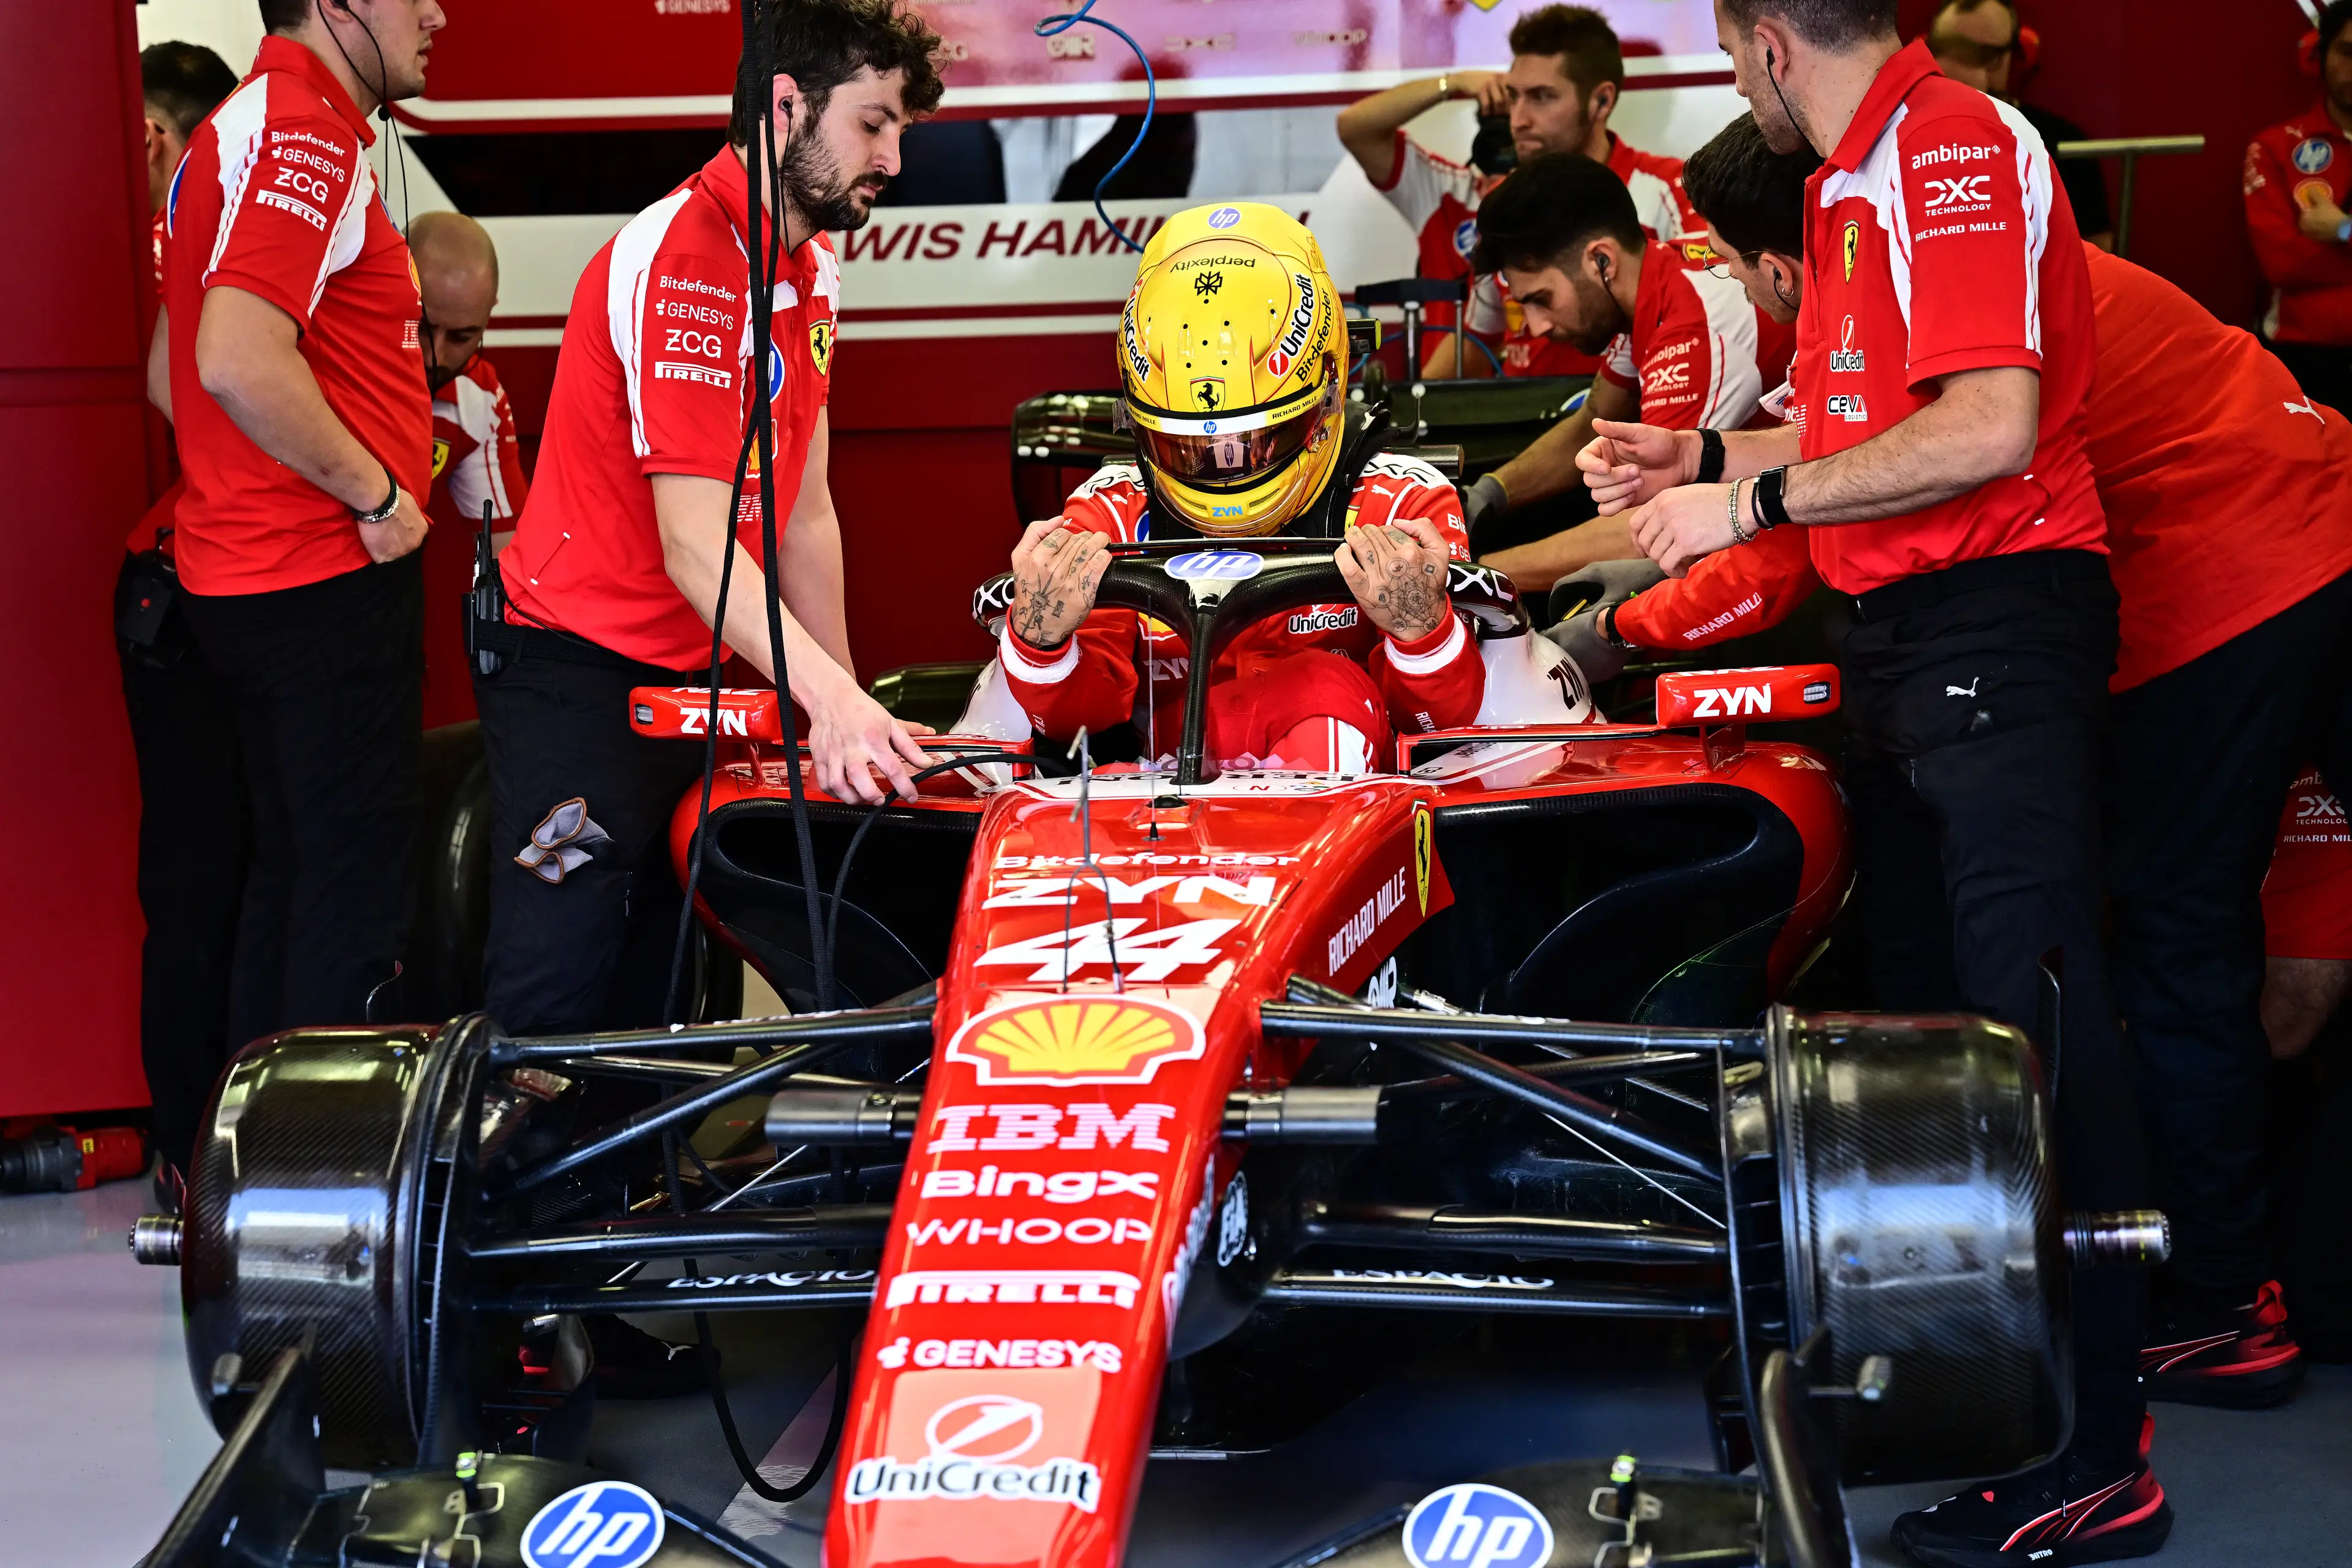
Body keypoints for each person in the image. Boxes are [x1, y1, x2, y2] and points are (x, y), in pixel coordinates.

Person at [1574, 109, 2352, 1433]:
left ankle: (2220, 1306)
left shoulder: (1924, 269)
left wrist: (1607, 631)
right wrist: (1704, 461)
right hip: (2290, 534)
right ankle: (2215, 1294)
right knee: (2166, 933)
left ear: (1789, 255)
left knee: (2172, 936)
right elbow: (1843, 444)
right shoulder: (1938, 258)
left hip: (2239, 575)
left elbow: (1867, 490)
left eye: (1749, 261)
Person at [1591, 3, 2162, 1559]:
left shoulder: (1951, 146)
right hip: (1900, 636)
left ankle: (2102, 1446)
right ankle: (1961, 1394)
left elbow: (1987, 427)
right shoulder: (1853, 180)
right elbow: (1869, 418)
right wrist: (1698, 465)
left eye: (1722, 54)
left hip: (1998, 620)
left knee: (2033, 1024)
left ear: (1768, 40)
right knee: (1923, 1024)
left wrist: (1753, 496)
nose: (1727, 85)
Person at [475, 0, 942, 1038]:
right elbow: (694, 540)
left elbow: (803, 513)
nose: (894, 160)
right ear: (786, 107)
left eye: (901, 131)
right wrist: (827, 701)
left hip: (700, 673)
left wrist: (846, 711)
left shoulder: (812, 263)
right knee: (558, 1002)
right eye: (874, 125)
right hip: (577, 671)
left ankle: (636, 1201)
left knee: (674, 994)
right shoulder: (689, 256)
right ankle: (515, 1193)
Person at [989, 203, 1592, 777]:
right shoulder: (1109, 510)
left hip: (1353, 817)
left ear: (1326, 394)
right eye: (1192, 450)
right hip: (1152, 814)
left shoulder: (1405, 503)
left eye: (1253, 443)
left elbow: (1442, 725)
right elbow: (1073, 728)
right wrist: (1041, 641)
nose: (1225, 469)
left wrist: (1420, 633)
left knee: (1330, 694)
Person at [162, 0, 442, 1062]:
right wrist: (374, 493)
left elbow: (170, 369)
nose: (437, 13)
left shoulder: (235, 124)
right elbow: (233, 358)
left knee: (292, 877)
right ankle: (319, 1189)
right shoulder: (305, 129)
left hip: (245, 579)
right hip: (319, 575)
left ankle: (258, 1186)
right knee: (352, 892)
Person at [1455, 150, 1794, 592]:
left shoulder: (1691, 329)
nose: (1535, 328)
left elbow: (1648, 528)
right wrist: (1489, 492)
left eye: (1541, 299)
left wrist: (1473, 575)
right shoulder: (1652, 278)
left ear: (1602, 261)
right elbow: (1593, 418)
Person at [123, 39, 241, 1200]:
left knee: (243, 870)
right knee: (205, 878)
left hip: (223, 581)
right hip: (181, 585)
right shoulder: (184, 209)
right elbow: (177, 381)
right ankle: (181, 1151)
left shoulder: (196, 207)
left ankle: (212, 1145)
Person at [1335, 4, 1700, 379]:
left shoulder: (1669, 190)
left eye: (1542, 97)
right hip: (1522, 417)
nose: (1519, 120)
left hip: (1630, 414)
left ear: (1601, 101)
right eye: (1514, 97)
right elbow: (1476, 342)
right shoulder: (1505, 206)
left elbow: (1704, 317)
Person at [409, 210, 528, 728]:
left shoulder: (479, 396)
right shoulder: (332, 364)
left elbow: (511, 560)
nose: (435, 355)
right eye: (421, 326)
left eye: (461, 336)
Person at [1926, 0, 2113, 248]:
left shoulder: (2061, 144)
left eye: (1981, 56)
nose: (1960, 68)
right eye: (1949, 50)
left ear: (2010, 58)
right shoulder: (1904, 137)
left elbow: (2098, 252)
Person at [2247, 0, 2352, 417]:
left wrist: (2344, 231)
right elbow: (2282, 264)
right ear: (2320, 54)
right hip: (2303, 355)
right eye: (2348, 51)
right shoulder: (2276, 147)